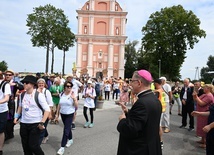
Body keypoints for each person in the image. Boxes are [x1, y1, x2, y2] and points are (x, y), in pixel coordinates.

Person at [117, 69, 162, 155]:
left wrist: (122, 120)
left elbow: (129, 130)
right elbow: (145, 120)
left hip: (139, 149)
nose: (130, 84)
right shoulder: (154, 99)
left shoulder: (142, 103)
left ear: (139, 83)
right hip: (150, 147)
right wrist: (128, 112)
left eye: (132, 81)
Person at [14, 75, 50, 155]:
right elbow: (20, 106)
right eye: (23, 83)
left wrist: (42, 122)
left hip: (35, 124)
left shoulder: (39, 95)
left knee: (33, 146)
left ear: (32, 84)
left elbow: (47, 110)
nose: (24, 84)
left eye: (26, 83)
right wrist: (16, 116)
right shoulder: (22, 95)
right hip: (24, 123)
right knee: (26, 147)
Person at [55, 81, 78, 155]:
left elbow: (76, 106)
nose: (69, 88)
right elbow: (59, 105)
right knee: (67, 128)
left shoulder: (73, 95)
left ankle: (62, 147)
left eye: (70, 86)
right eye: (67, 86)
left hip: (70, 114)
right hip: (63, 114)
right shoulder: (61, 94)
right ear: (64, 87)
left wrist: (74, 99)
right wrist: (57, 114)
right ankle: (70, 139)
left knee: (66, 130)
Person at [4, 69, 24, 141]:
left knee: (10, 118)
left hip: (11, 103)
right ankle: (5, 134)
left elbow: (22, 87)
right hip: (3, 103)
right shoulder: (3, 82)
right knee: (4, 119)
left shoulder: (14, 83)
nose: (8, 76)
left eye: (9, 75)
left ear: (12, 76)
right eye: (6, 75)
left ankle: (9, 133)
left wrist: (15, 84)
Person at [192, 84, 214, 148]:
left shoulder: (209, 96)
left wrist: (196, 96)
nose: (203, 88)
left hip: (205, 112)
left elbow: (201, 103)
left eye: (205, 88)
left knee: (204, 126)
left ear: (209, 89)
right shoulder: (205, 94)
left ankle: (205, 143)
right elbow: (196, 100)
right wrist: (194, 96)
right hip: (201, 113)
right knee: (201, 126)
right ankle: (202, 140)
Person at [37, 78, 53, 144]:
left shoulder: (47, 92)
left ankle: (38, 142)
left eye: (42, 83)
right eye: (39, 83)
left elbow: (50, 103)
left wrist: (50, 113)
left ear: (44, 84)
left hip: (45, 111)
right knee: (39, 125)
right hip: (38, 112)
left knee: (43, 125)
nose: (41, 84)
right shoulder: (35, 91)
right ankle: (46, 135)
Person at [153, 78, 167, 150]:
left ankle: (160, 141)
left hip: (159, 109)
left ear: (156, 83)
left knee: (158, 126)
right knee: (158, 125)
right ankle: (159, 140)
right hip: (162, 109)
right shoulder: (162, 90)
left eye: (154, 83)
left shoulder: (157, 91)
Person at [0, 71, 11, 155]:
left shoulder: (5, 85)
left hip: (2, 110)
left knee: (0, 130)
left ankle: (0, 149)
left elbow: (7, 98)